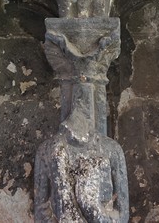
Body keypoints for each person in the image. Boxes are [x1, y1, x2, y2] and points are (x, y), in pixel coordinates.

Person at [34, 84, 129, 223]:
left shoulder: (111, 149)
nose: (81, 106)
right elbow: (41, 211)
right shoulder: (49, 150)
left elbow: (122, 215)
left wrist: (93, 210)